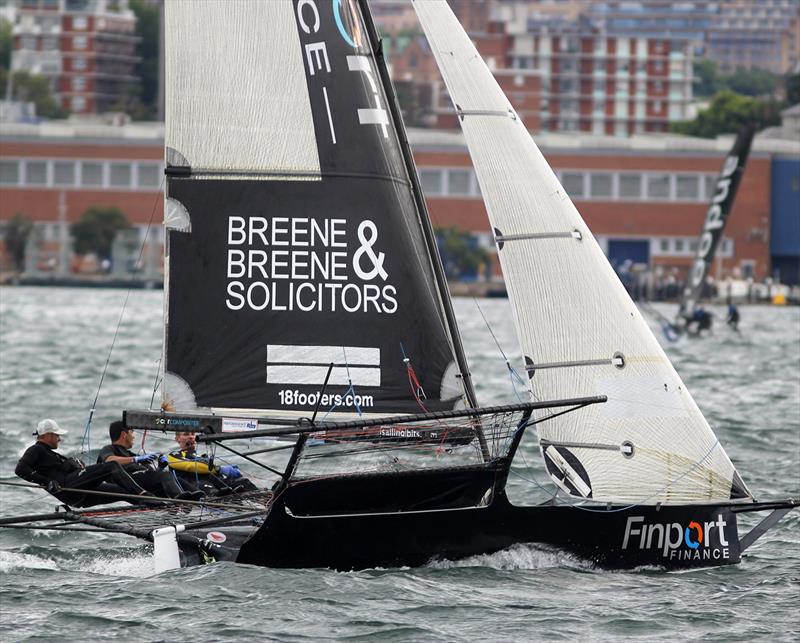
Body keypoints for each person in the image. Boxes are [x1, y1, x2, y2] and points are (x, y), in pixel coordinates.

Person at [15, 419, 155, 508]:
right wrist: (47, 482)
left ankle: (151, 504)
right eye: (57, 435)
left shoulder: (49, 453)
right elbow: (20, 469)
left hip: (79, 494)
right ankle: (145, 495)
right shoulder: (36, 449)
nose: (59, 439)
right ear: (47, 435)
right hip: (68, 488)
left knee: (122, 490)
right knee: (111, 466)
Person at [96, 421, 204, 502]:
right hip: (126, 483)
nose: (133, 436)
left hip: (141, 483)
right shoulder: (109, 449)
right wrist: (136, 459)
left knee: (172, 477)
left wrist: (160, 467)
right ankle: (179, 500)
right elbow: (109, 461)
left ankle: (202, 497)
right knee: (165, 475)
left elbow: (152, 475)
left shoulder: (130, 453)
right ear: (124, 434)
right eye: (132, 432)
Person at [167, 430, 257, 496]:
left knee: (244, 482)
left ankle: (266, 503)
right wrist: (219, 469)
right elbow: (191, 466)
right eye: (186, 434)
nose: (191, 437)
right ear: (177, 439)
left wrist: (230, 473)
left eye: (193, 434)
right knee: (210, 489)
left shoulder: (201, 456)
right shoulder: (173, 456)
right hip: (197, 487)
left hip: (216, 482)